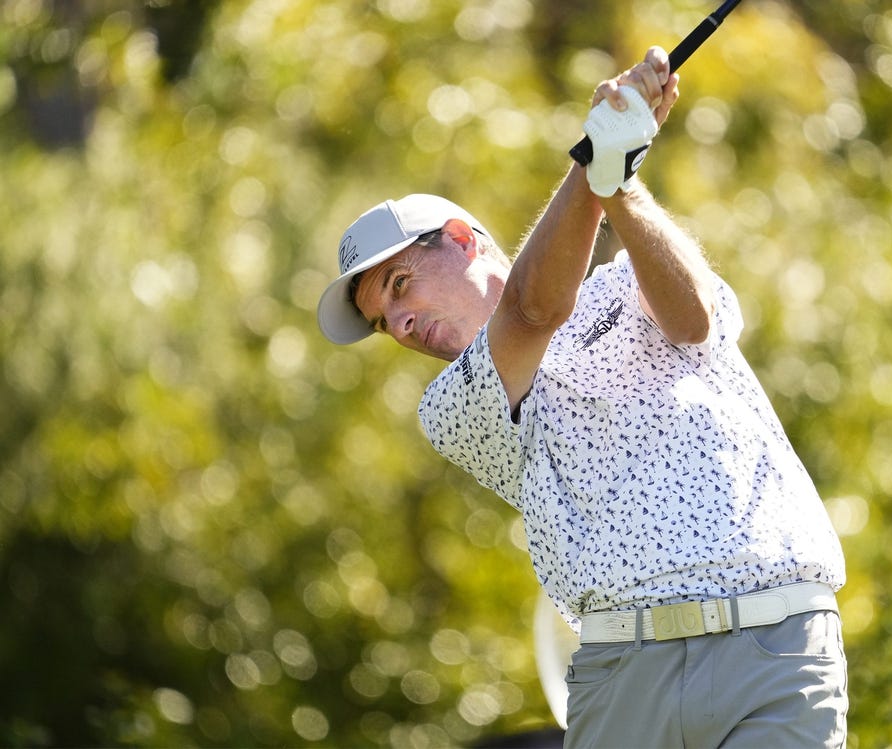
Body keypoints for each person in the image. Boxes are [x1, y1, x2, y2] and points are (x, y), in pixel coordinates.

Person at [317, 46, 847, 748]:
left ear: (459, 240)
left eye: (401, 285)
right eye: (386, 322)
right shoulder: (453, 406)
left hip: (775, 641)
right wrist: (595, 158)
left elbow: (694, 319)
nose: (402, 323)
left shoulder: (629, 281)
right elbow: (532, 312)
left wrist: (619, 177)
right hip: (621, 674)